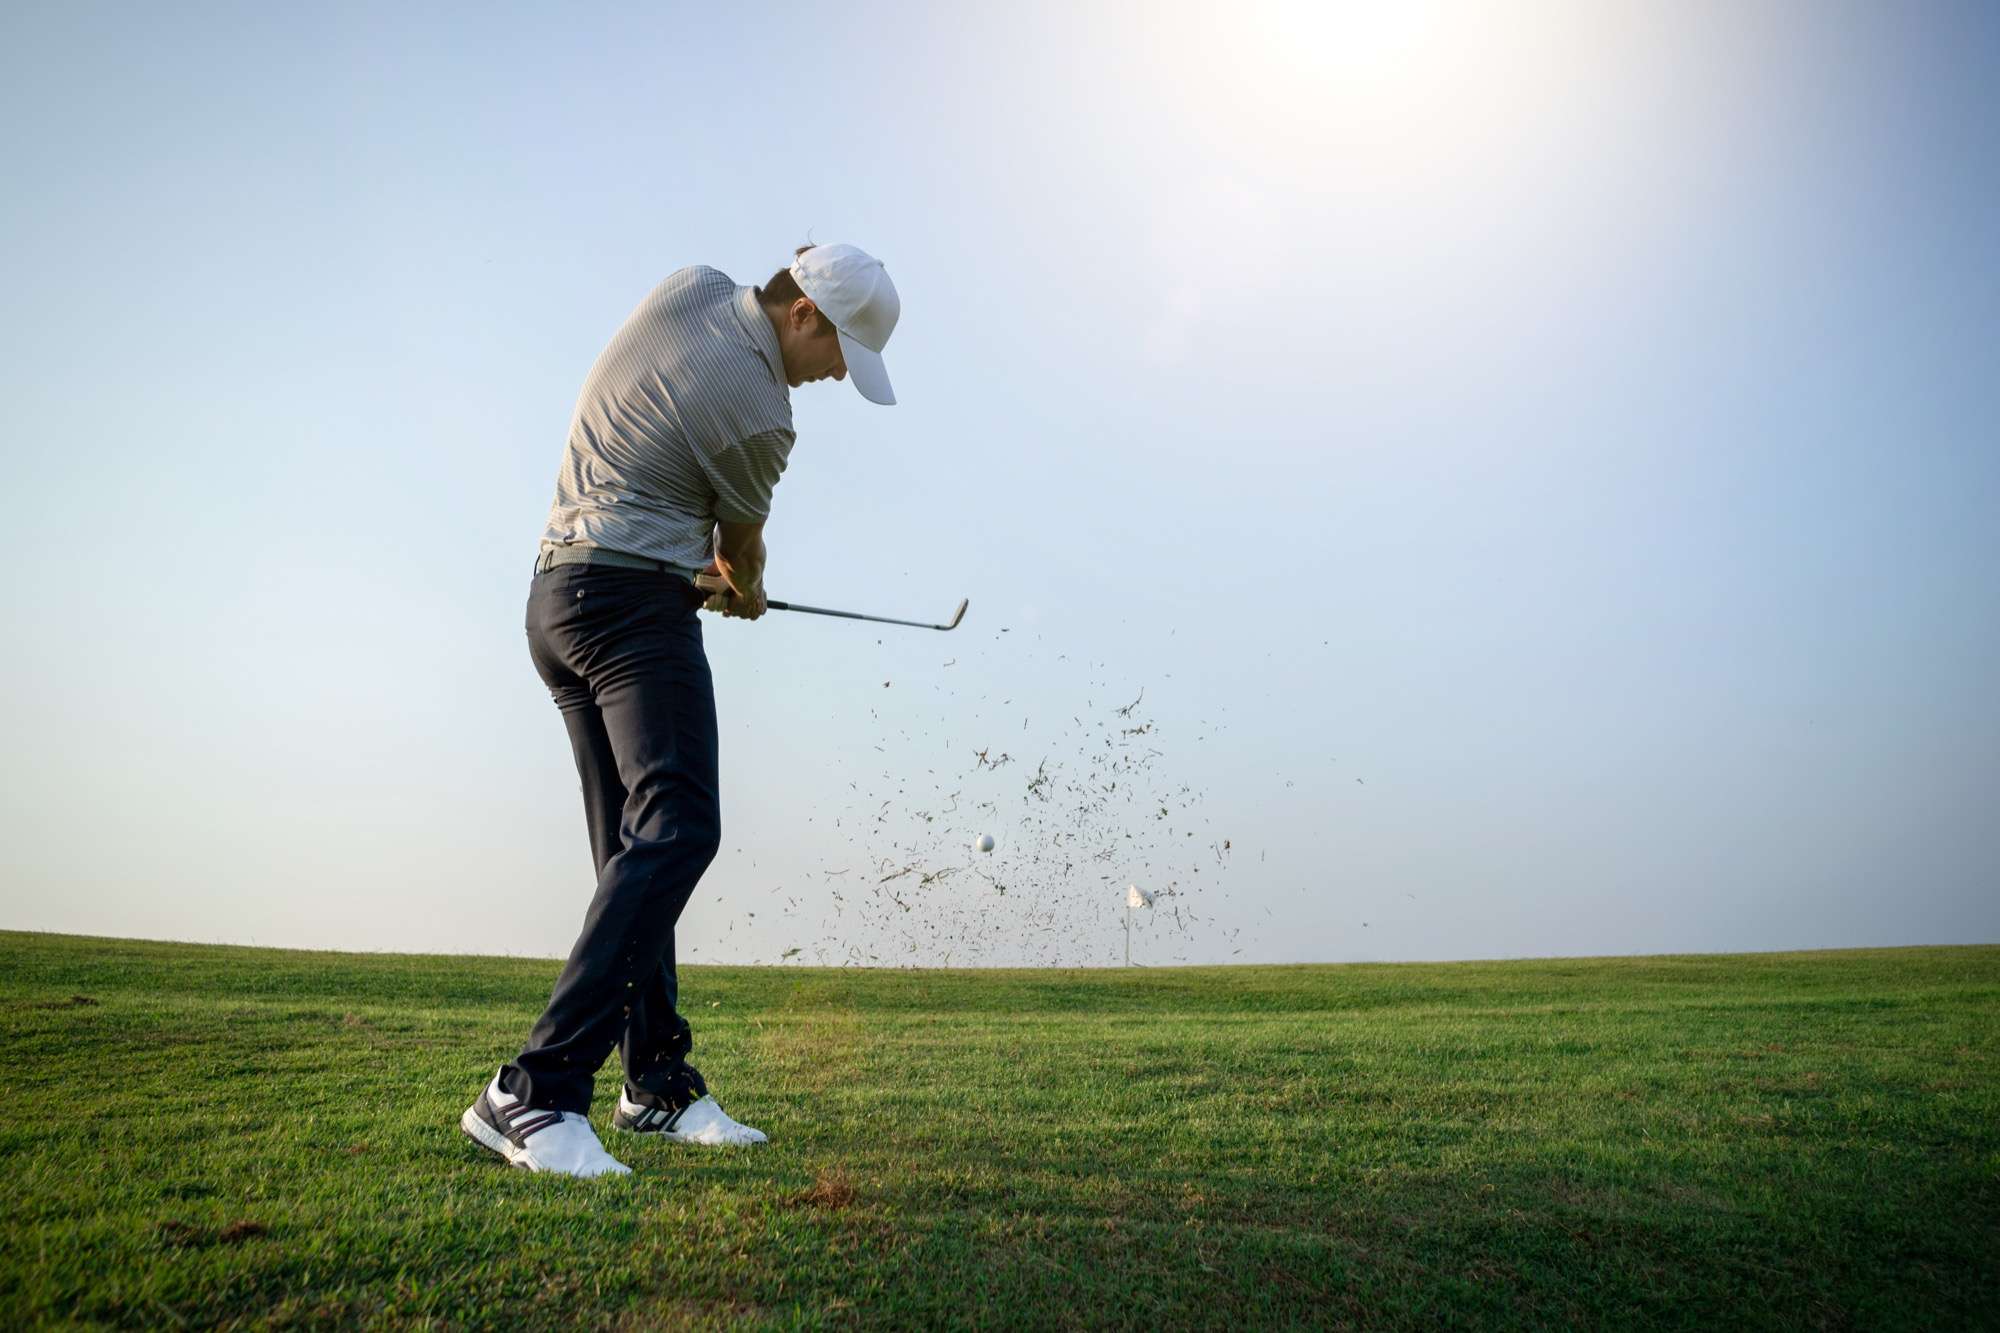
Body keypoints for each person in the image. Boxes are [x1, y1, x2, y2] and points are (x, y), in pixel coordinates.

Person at [459, 243, 901, 1177]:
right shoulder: (762, 412)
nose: (830, 378)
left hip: (556, 595)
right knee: (682, 826)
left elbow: (654, 433)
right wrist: (740, 587)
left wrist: (689, 552)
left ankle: (655, 1082)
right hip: (627, 613)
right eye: (838, 356)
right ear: (806, 315)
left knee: (636, 847)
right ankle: (534, 1090)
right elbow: (741, 562)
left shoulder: (690, 286)